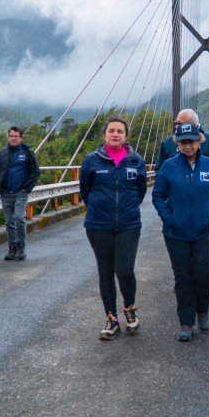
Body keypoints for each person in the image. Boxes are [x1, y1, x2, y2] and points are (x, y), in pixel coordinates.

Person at [152, 122, 209, 342]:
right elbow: (158, 195)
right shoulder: (169, 166)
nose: (188, 146)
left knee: (205, 273)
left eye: (192, 141)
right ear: (178, 143)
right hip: (176, 233)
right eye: (183, 142)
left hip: (204, 231)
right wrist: (169, 219)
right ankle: (186, 321)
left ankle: (203, 310)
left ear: (199, 141)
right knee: (183, 277)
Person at [79, 117, 148, 340]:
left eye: (120, 131)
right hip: (98, 225)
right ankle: (111, 318)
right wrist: (99, 208)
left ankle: (129, 308)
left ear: (126, 136)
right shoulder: (92, 160)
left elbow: (140, 191)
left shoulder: (136, 160)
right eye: (111, 131)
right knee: (106, 272)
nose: (115, 134)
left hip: (129, 224)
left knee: (125, 270)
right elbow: (85, 190)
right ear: (104, 134)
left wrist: (126, 208)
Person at [0, 126, 40, 262]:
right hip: (6, 192)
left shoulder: (28, 153)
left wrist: (27, 188)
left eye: (16, 136)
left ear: (21, 138)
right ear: (8, 137)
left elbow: (35, 171)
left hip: (21, 192)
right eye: (11, 136)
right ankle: (12, 249)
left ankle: (21, 248)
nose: (13, 138)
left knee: (19, 218)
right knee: (9, 221)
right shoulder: (1, 154)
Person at [154, 109, 209, 180]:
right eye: (176, 123)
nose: (176, 126)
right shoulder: (167, 142)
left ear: (192, 124)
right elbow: (159, 170)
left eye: (179, 123)